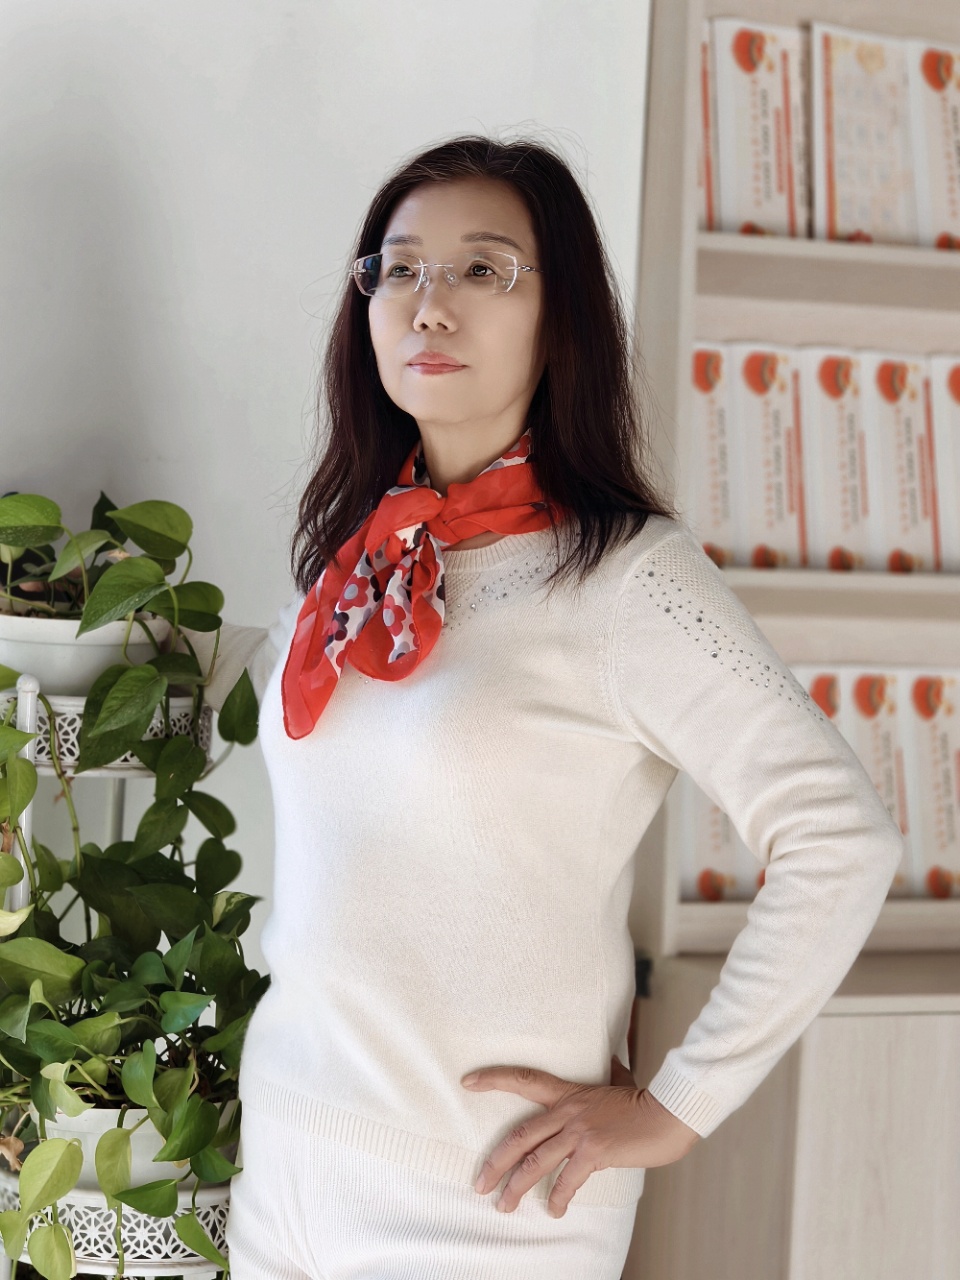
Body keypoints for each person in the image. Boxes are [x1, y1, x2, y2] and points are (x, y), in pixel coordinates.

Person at [184, 135, 903, 1279]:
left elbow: (841, 836)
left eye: (482, 269)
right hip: (284, 1172)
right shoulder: (359, 560)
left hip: (488, 1202)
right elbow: (241, 696)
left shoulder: (629, 580)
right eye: (400, 267)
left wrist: (676, 1105)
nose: (429, 304)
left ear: (558, 317)